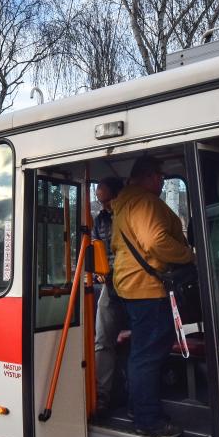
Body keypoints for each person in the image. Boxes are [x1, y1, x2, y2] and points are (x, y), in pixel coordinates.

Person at [110, 155, 192, 437]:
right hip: (147, 287)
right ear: (150, 176)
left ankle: (137, 408)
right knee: (148, 355)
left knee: (141, 352)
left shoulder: (124, 204)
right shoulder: (145, 202)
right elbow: (156, 242)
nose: (161, 181)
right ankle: (148, 419)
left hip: (130, 285)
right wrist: (190, 255)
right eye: (160, 176)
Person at [92, 175, 125, 418]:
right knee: (102, 338)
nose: (96, 190)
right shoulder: (99, 219)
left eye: (100, 186)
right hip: (109, 281)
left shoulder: (128, 214)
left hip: (133, 279)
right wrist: (97, 271)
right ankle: (102, 396)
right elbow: (95, 248)